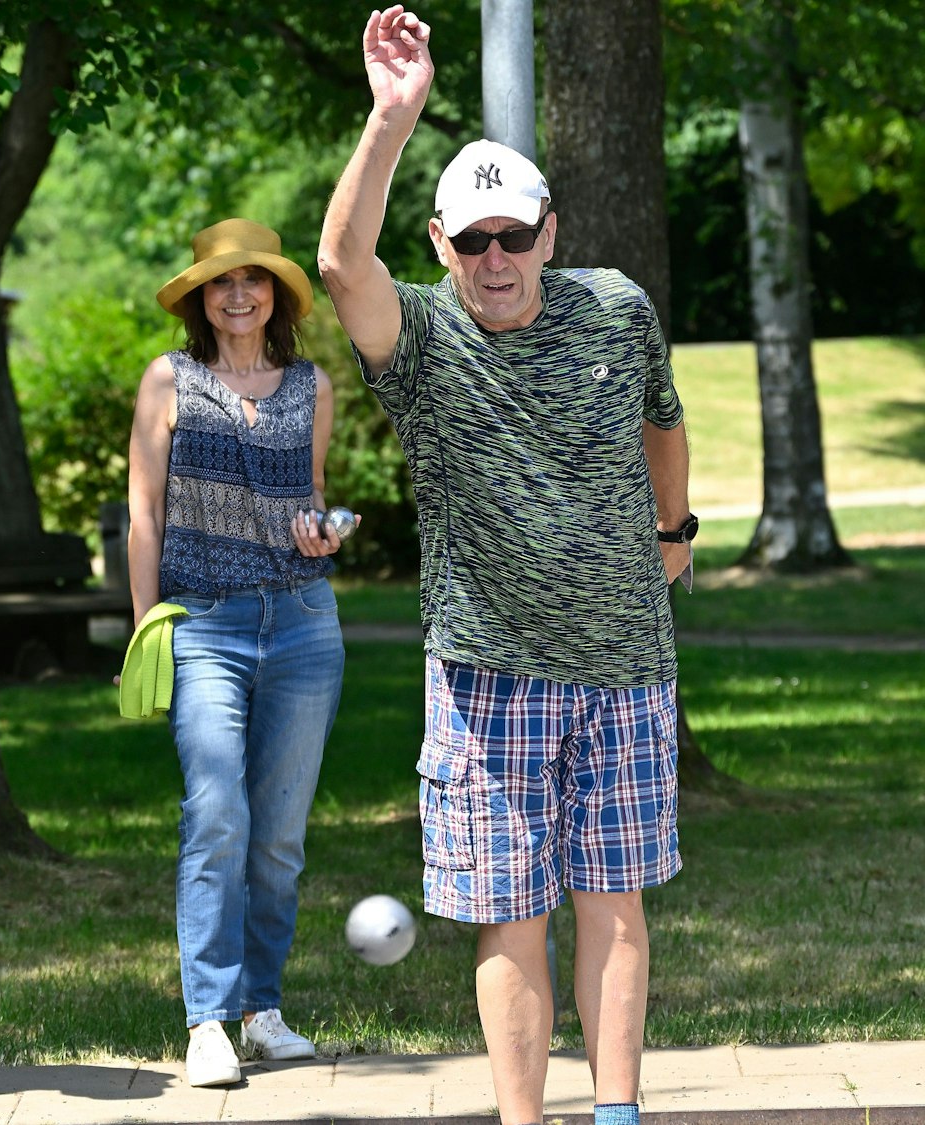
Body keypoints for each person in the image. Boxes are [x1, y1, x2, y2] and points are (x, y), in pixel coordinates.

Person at [317, 10, 694, 1125]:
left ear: (547, 233)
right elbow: (339, 263)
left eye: (514, 237)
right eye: (473, 240)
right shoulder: (423, 341)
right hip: (487, 679)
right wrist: (392, 117)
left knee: (615, 903)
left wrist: (672, 530)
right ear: (441, 244)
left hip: (626, 663)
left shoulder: (617, 308)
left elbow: (662, 420)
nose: (495, 261)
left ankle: (616, 1113)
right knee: (509, 914)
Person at [125, 219, 349, 1088]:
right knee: (216, 814)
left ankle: (262, 1011)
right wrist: (147, 626)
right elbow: (144, 513)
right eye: (222, 282)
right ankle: (209, 1021)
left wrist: (321, 531)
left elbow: (311, 496)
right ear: (201, 298)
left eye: (253, 280)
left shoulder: (311, 386)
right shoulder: (169, 380)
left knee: (280, 837)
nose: (239, 294)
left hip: (303, 622)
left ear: (277, 295)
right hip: (204, 624)